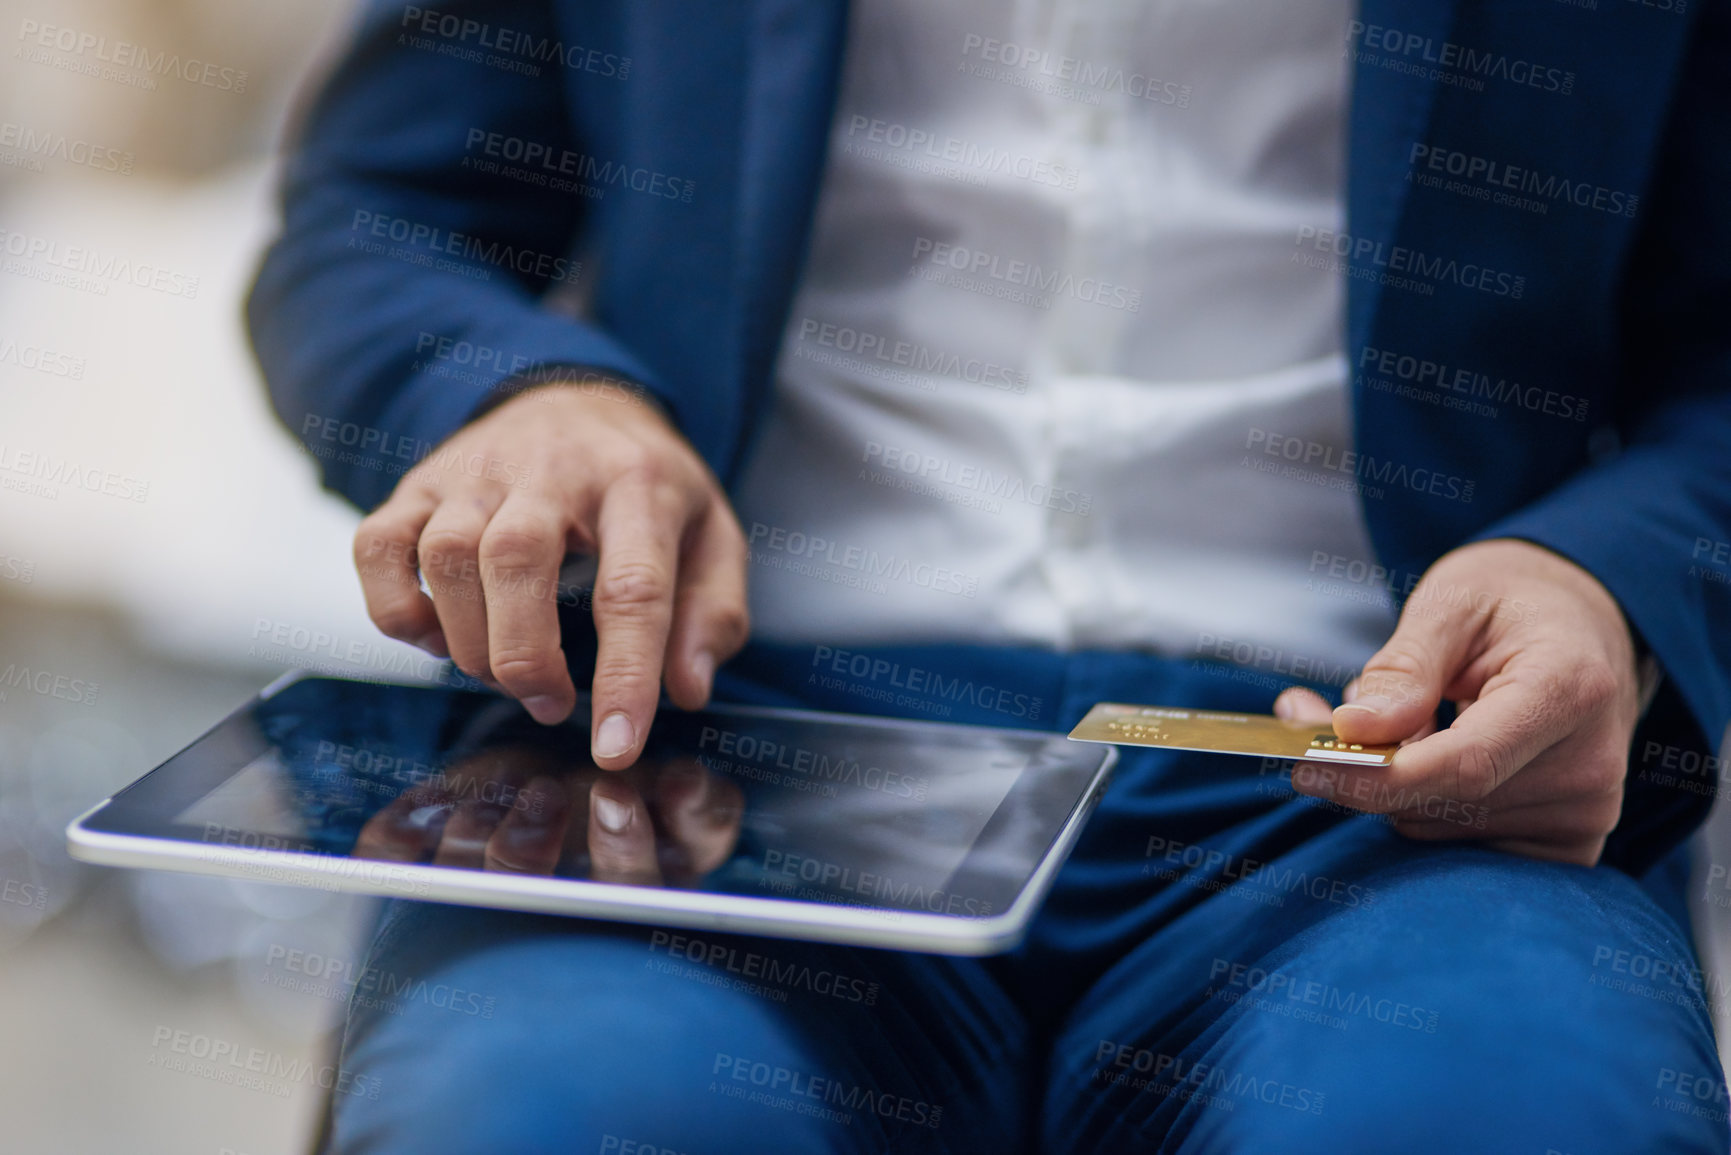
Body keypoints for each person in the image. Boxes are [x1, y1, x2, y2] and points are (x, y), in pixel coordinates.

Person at [248, 0, 1731, 1150]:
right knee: (536, 1118)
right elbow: (371, 222)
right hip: (724, 763)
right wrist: (519, 393)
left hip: (1389, 778)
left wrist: (1602, 571)